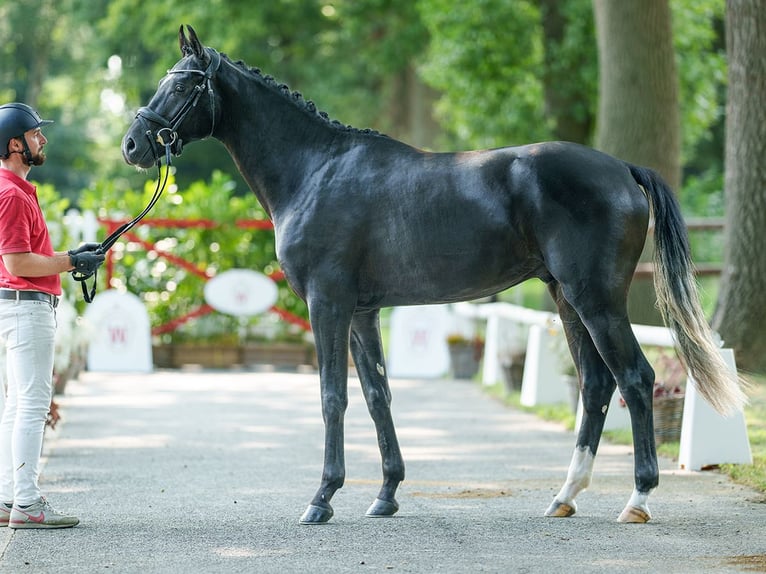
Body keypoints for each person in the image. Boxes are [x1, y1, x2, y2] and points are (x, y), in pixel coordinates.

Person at [0, 102, 104, 529]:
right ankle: (27, 504)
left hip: (16, 309)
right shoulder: (10, 195)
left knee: (15, 404)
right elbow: (18, 264)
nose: (42, 139)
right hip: (26, 310)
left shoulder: (15, 190)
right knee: (31, 406)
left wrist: (70, 259)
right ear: (15, 144)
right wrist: (70, 261)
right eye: (35, 134)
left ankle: (10, 498)